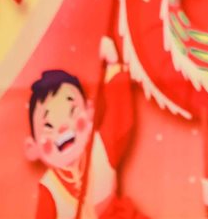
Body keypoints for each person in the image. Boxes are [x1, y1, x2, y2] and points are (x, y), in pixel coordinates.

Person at [24, 37, 139, 219]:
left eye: (72, 112)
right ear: (33, 147)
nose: (63, 128)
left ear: (89, 111)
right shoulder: (49, 188)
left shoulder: (100, 148)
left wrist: (112, 66)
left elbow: (120, 117)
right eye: (49, 126)